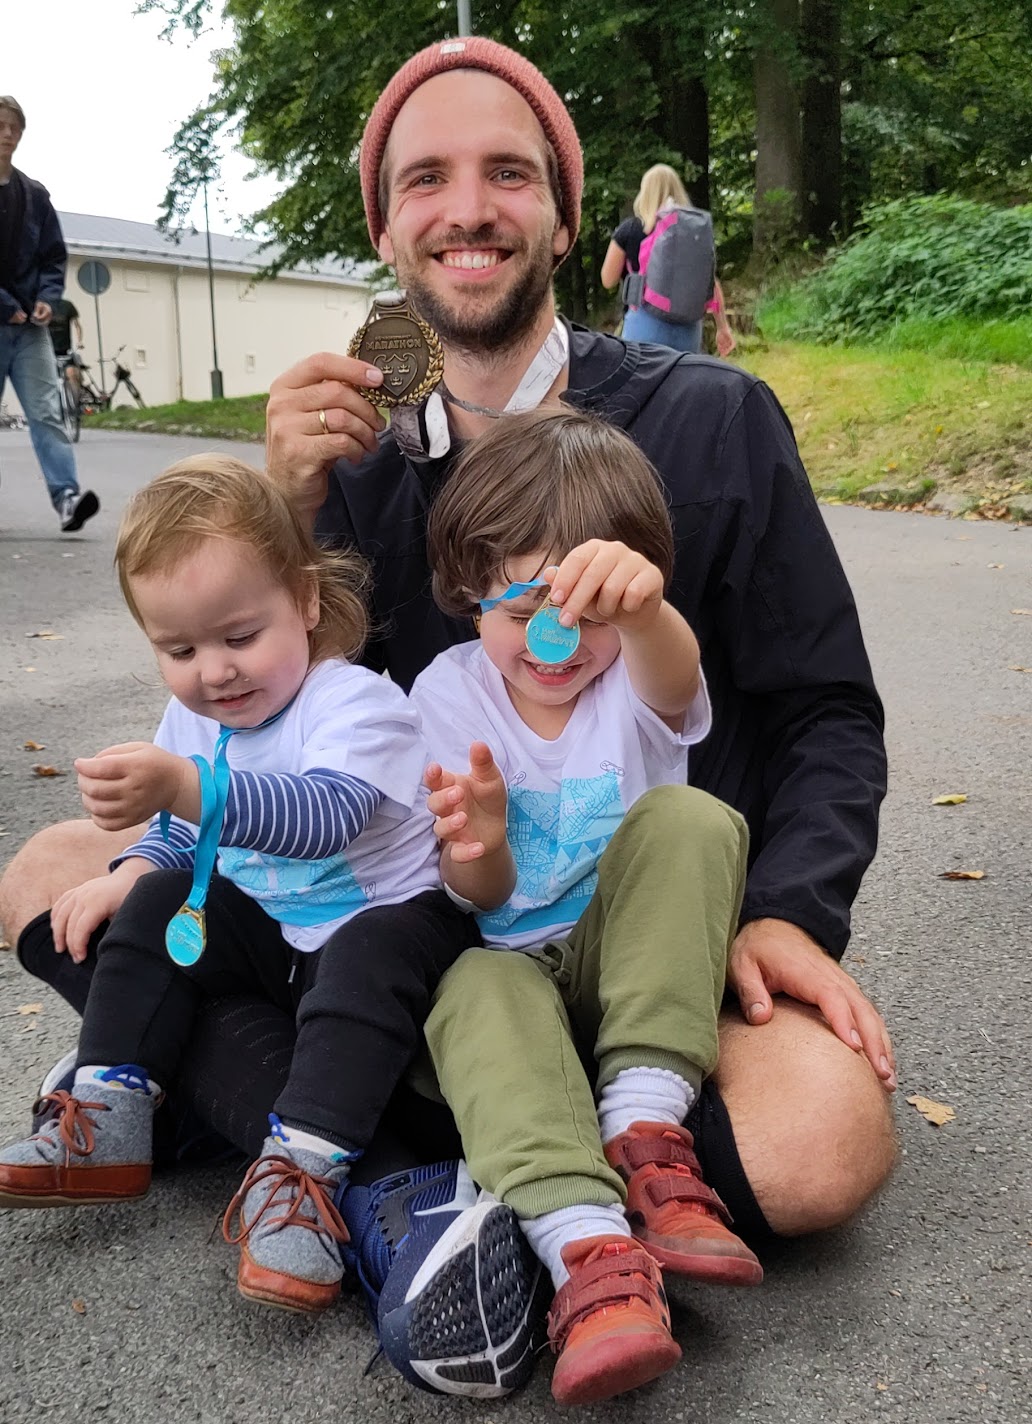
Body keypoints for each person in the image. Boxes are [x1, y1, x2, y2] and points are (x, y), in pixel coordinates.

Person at [1, 36, 895, 1396]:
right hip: (395, 938)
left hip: (621, 952)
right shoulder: (356, 447)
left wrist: (784, 908)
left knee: (822, 1144)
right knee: (56, 871)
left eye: (506, 173)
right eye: (425, 178)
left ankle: (301, 1139)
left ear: (562, 210)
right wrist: (283, 514)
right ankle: (401, 1196)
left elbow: (826, 708)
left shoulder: (711, 420)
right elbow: (268, 702)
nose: (466, 207)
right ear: (385, 222)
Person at [0, 455, 474, 1315]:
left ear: (306, 601)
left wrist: (186, 789)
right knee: (158, 898)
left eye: (238, 637)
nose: (214, 672)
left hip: (387, 926)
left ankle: (306, 1169)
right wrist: (136, 868)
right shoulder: (198, 715)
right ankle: (109, 1110)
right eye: (179, 649)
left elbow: (322, 816)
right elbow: (187, 829)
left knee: (369, 953)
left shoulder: (354, 702)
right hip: (281, 936)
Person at [406, 407, 761, 1405]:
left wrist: (643, 612)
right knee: (470, 980)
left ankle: (646, 1133)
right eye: (522, 608)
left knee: (691, 817)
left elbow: (675, 674)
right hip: (516, 968)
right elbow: (477, 896)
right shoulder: (445, 694)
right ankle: (592, 1260)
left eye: (586, 612)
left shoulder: (632, 675)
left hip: (629, 964)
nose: (556, 640)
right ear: (469, 591)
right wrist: (478, 846)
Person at [0, 96, 98, 531]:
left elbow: (53, 257)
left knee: (47, 413)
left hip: (30, 332)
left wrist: (47, 297)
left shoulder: (35, 196)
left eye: (14, 127)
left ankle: (67, 499)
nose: (6, 134)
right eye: (0, 125)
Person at [600, 162, 736, 356]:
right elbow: (711, 283)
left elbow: (608, 280)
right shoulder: (692, 233)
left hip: (644, 327)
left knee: (641, 385)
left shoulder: (630, 229)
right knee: (682, 385)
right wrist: (722, 328)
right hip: (689, 330)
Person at [47, 295, 83, 390]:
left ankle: (77, 399)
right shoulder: (44, 306)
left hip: (65, 348)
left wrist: (79, 342)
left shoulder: (67, 305)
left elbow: (77, 326)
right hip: (48, 349)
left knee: (73, 374)